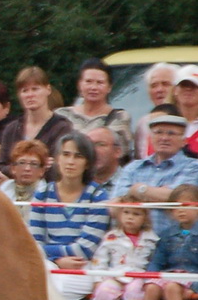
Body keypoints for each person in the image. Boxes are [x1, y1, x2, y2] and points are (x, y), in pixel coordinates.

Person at [29, 133, 112, 300]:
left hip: (83, 265)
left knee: (56, 291)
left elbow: (85, 249)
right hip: (49, 263)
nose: (71, 161)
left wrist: (49, 252)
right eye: (66, 154)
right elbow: (33, 243)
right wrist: (57, 260)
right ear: (57, 159)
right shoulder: (42, 194)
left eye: (78, 156)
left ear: (87, 163)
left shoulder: (97, 196)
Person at [136, 183, 198, 300]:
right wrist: (150, 278)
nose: (181, 211)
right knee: (153, 288)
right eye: (177, 206)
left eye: (187, 205)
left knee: (171, 288)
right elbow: (157, 260)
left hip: (192, 279)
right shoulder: (167, 234)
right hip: (171, 276)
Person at [112, 108, 198, 237]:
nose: (164, 138)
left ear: (183, 141)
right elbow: (115, 207)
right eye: (158, 133)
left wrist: (138, 190)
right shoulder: (133, 168)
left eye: (171, 133)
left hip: (174, 245)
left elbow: (180, 199)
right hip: (132, 245)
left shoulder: (193, 167)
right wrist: (160, 195)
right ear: (150, 138)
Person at [92, 204, 155, 300]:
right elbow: (99, 259)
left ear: (145, 218)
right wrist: (97, 279)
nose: (130, 217)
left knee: (135, 292)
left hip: (138, 275)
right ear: (119, 215)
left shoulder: (151, 238)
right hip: (115, 274)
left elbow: (154, 261)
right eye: (126, 212)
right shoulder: (111, 236)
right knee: (103, 292)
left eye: (136, 214)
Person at [0, 68, 72, 180]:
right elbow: (0, 167)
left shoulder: (62, 128)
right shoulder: (11, 129)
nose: (30, 95)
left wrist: (16, 166)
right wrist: (36, 166)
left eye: (35, 89)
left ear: (48, 90)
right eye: (25, 91)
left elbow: (59, 169)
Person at [55, 59, 133, 157]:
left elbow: (116, 153)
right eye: (88, 81)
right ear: (79, 85)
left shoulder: (119, 118)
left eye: (100, 83)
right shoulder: (62, 115)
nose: (93, 87)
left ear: (109, 87)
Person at [0, 139, 48, 222]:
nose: (27, 168)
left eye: (34, 164)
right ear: (13, 168)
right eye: (22, 163)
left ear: (42, 171)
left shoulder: (47, 195)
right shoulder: (3, 190)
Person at [134, 62, 178, 156]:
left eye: (165, 84)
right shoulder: (143, 123)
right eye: (154, 86)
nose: (159, 90)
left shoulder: (189, 120)